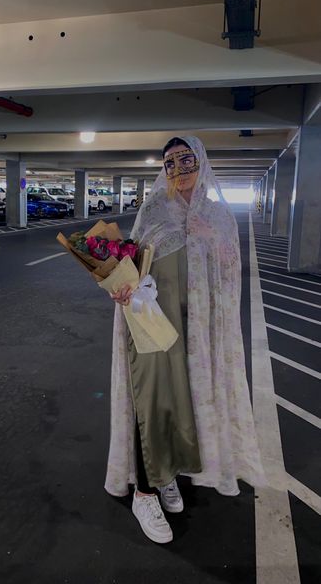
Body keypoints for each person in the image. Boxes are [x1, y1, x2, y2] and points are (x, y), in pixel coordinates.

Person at [106, 136, 266, 544]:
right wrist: (120, 286)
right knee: (153, 399)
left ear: (202, 162)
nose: (178, 168)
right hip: (153, 322)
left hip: (199, 328)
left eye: (186, 158)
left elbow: (229, 279)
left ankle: (168, 475)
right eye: (170, 162)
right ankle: (145, 491)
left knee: (186, 403)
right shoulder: (153, 210)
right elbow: (132, 265)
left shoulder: (218, 217)